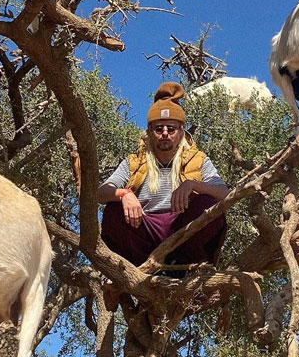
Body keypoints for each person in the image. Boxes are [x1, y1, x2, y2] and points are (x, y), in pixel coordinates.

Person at [98, 82, 229, 267]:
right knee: (113, 211)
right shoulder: (134, 161)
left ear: (182, 131)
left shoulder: (198, 159)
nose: (165, 133)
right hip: (144, 231)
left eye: (171, 128)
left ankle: (184, 266)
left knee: (207, 205)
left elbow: (226, 194)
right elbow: (102, 192)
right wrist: (124, 194)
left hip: (182, 233)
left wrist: (193, 184)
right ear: (150, 132)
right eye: (159, 129)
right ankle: (142, 268)